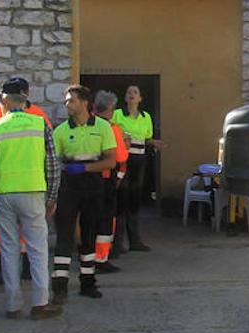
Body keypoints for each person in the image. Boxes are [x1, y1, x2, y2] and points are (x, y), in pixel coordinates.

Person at [0, 79, 63, 319]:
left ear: (5, 100)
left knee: (9, 249)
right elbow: (53, 164)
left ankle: (13, 305)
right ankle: (40, 303)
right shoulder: (40, 124)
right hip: (34, 192)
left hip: (3, 194)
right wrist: (52, 197)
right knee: (37, 248)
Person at [51, 85, 117, 301]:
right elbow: (52, 162)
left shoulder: (103, 127)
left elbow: (111, 160)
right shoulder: (60, 131)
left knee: (89, 234)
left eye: (71, 100)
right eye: (66, 101)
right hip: (69, 184)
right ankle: (59, 287)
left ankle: (88, 283)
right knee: (64, 233)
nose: (67, 104)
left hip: (92, 183)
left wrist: (86, 168)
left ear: (84, 103)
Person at [111, 85, 164, 252]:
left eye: (135, 93)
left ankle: (135, 240)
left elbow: (146, 138)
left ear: (140, 98)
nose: (132, 95)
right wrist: (121, 136)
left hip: (140, 160)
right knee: (121, 199)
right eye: (129, 93)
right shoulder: (117, 114)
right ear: (125, 98)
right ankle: (117, 243)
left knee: (134, 199)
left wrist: (153, 142)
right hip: (123, 160)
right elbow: (110, 131)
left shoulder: (145, 116)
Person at [92, 90, 129, 272]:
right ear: (112, 109)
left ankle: (87, 255)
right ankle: (101, 259)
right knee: (106, 220)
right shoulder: (111, 129)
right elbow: (121, 156)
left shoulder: (86, 125)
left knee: (88, 217)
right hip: (106, 179)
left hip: (85, 179)